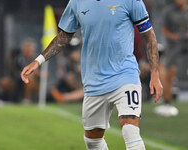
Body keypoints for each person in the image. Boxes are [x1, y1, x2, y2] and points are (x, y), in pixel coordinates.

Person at [21, 0, 163, 149]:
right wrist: (38, 61)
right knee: (93, 141)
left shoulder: (131, 1)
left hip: (125, 75)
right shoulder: (77, 2)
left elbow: (149, 36)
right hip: (94, 81)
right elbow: (63, 36)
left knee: (130, 130)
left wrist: (155, 73)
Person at [154, 0, 188, 117]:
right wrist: (173, 36)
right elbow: (164, 29)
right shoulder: (169, 11)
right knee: (170, 73)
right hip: (174, 47)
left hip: (186, 45)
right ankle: (167, 102)